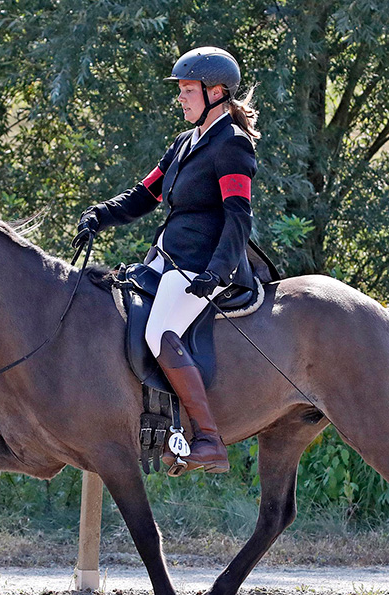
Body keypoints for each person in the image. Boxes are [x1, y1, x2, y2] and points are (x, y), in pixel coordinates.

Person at [73, 46, 260, 474]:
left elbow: (238, 218)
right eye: (181, 90)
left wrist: (216, 273)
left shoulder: (232, 146)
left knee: (160, 331)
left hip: (204, 266)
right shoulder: (184, 143)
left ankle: (209, 440)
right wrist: (101, 214)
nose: (181, 97)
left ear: (216, 93)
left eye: (188, 89)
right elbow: (145, 195)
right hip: (168, 257)